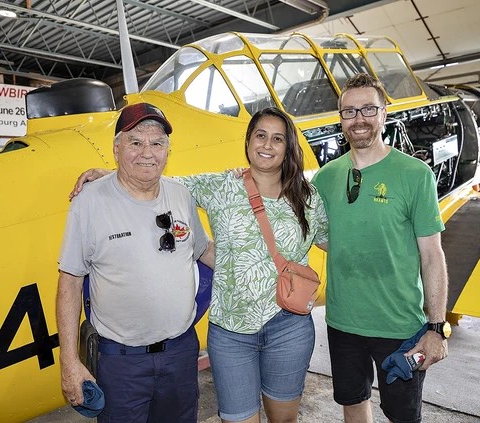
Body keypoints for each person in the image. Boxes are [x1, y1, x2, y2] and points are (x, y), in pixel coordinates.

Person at [70, 107, 329, 423]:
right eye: (260, 135)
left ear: (288, 146)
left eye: (278, 138)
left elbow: (332, 241)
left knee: (284, 418)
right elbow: (158, 180)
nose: (267, 145)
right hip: (232, 332)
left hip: (288, 325)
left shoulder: (308, 196)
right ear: (248, 142)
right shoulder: (220, 185)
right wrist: (108, 175)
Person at [57, 102, 215, 423]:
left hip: (181, 354)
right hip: (121, 362)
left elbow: (203, 250)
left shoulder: (180, 195)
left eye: (157, 143)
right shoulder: (89, 203)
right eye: (135, 142)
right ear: (116, 149)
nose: (147, 152)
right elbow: (70, 283)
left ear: (167, 151)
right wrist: (69, 362)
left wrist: (264, 271)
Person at [311, 73, 449, 423]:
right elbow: (326, 238)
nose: (358, 119)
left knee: (402, 415)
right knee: (354, 402)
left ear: (384, 114)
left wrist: (435, 328)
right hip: (343, 322)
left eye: (368, 109)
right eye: (349, 111)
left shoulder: (415, 174)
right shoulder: (326, 178)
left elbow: (432, 255)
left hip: (400, 326)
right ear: (340, 118)